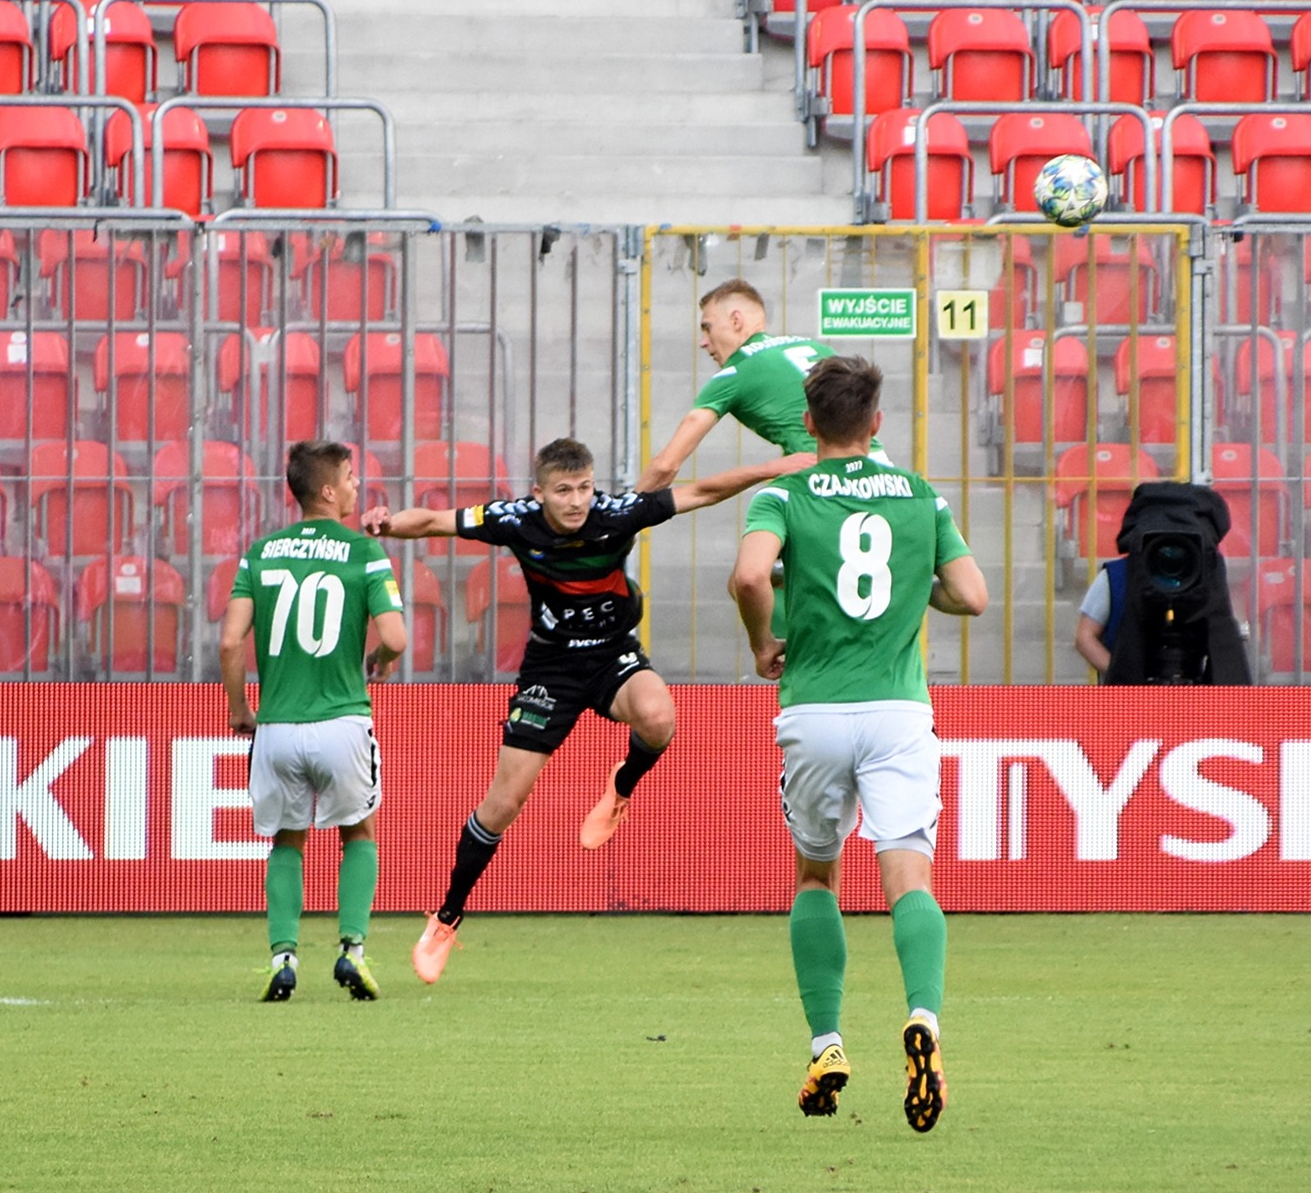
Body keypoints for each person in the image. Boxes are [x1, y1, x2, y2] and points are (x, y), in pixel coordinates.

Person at [364, 437, 807, 984]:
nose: (576, 502)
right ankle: (447, 918)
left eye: (583, 488)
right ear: (539, 492)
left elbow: (704, 489)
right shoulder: (513, 519)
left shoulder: (617, 513)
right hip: (550, 670)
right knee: (503, 802)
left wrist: (778, 466)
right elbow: (432, 521)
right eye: (563, 491)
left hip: (612, 655)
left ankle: (621, 786)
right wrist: (386, 524)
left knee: (659, 718)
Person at [729, 354, 988, 1134]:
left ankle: (827, 1043)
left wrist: (762, 641)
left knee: (816, 874)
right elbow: (971, 595)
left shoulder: (785, 492)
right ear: (877, 423)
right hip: (897, 710)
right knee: (908, 872)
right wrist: (921, 587)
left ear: (808, 424)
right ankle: (923, 1019)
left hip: (814, 707)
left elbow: (748, 576)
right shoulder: (918, 495)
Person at [220, 439, 407, 1004]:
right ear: (328, 490)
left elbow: (230, 641)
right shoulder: (364, 551)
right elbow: (396, 637)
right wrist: (380, 660)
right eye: (350, 478)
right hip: (342, 722)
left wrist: (240, 709)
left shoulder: (260, 552)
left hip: (277, 727)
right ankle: (352, 951)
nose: (356, 487)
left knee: (286, 840)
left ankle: (283, 959)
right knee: (359, 832)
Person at [636, 277, 883, 492]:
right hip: (882, 471)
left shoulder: (737, 371)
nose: (703, 342)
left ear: (736, 320)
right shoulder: (816, 347)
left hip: (828, 480)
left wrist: (621, 520)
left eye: (707, 328)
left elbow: (666, 465)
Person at [1073, 557, 1128, 676]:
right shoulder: (1115, 575)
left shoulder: (1114, 575)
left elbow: (1085, 637)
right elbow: (1085, 638)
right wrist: (1121, 678)